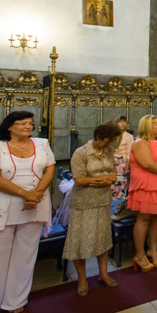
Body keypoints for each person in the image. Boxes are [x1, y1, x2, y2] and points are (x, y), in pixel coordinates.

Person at [0, 111, 56, 313]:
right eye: (22, 123)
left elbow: (49, 170)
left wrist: (35, 195)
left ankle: (15, 301)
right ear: (9, 126)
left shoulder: (42, 144)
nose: (28, 126)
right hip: (2, 207)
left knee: (25, 255)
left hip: (35, 205)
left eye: (30, 123)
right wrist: (26, 194)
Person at [63, 123, 121, 296]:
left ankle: (103, 274)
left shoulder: (109, 151)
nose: (111, 143)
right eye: (109, 140)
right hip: (84, 202)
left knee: (102, 238)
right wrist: (102, 180)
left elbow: (113, 175)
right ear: (99, 137)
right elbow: (79, 180)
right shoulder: (81, 153)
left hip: (102, 200)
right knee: (80, 241)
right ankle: (82, 279)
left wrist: (103, 180)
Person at [128, 115, 157, 272]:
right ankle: (139, 255)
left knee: (156, 218)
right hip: (147, 186)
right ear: (148, 126)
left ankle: (152, 250)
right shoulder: (140, 143)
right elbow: (148, 164)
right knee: (144, 219)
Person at [112, 116, 134, 202]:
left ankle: (118, 203)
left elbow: (129, 153)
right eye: (120, 122)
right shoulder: (112, 135)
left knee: (120, 185)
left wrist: (127, 167)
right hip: (111, 161)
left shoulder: (129, 136)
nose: (122, 124)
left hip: (122, 162)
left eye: (124, 122)